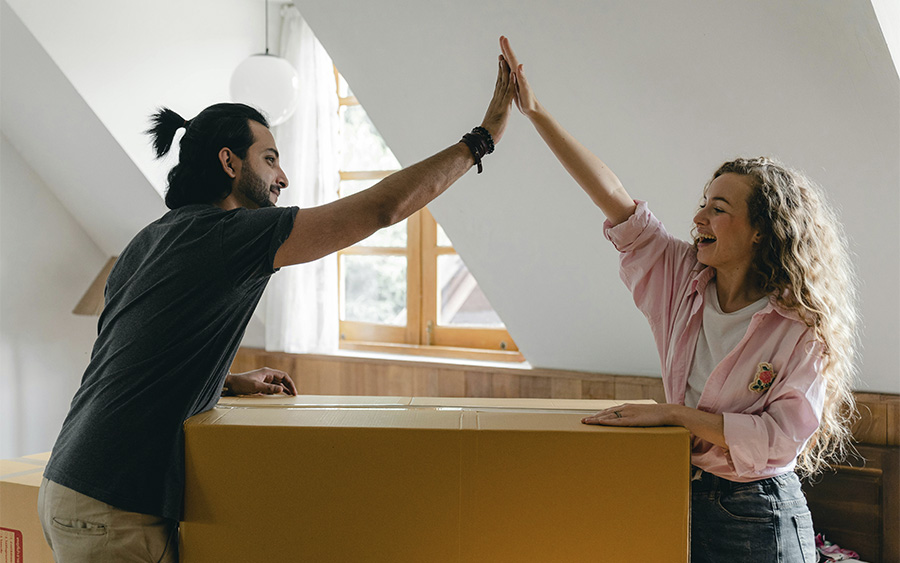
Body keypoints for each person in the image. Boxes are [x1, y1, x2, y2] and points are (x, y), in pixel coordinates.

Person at [37, 54, 516, 562]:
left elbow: (134, 358)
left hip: (70, 480)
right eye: (270, 158)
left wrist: (228, 380)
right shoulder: (231, 235)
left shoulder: (152, 238)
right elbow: (382, 208)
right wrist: (481, 141)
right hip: (114, 507)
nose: (282, 176)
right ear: (229, 162)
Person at [499, 36, 859, 562]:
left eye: (718, 208)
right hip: (681, 494)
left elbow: (779, 442)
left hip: (758, 512)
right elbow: (612, 196)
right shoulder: (678, 278)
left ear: (762, 230)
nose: (698, 219)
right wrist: (536, 113)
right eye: (701, 204)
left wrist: (676, 416)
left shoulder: (800, 326)